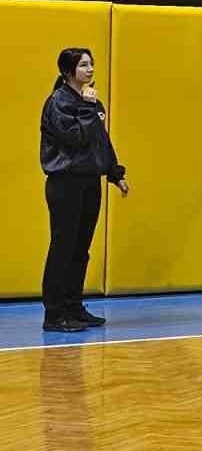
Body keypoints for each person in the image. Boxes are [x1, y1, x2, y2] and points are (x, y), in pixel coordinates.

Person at [39, 47, 127, 333]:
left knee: (80, 248)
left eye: (91, 64)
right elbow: (75, 138)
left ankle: (73, 306)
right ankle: (54, 314)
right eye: (83, 65)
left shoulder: (92, 103)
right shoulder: (58, 103)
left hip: (89, 182)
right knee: (63, 247)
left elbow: (100, 141)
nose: (90, 70)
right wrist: (90, 109)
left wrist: (114, 173)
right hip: (65, 182)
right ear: (68, 71)